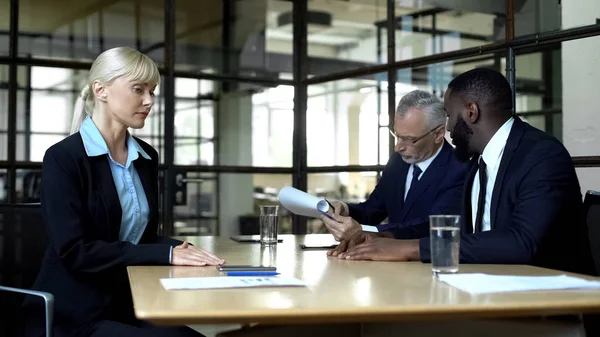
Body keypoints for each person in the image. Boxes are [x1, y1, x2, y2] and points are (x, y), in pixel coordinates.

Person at [23, 47, 224, 337]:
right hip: (75, 313)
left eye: (152, 91)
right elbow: (75, 251)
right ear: (101, 90)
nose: (149, 101)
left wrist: (185, 249)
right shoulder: (63, 158)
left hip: (128, 301)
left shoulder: (145, 156)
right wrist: (165, 253)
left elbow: (139, 237)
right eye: (138, 89)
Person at [325, 68, 594, 276]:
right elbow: (455, 229)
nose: (449, 128)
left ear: (471, 112)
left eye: (451, 117)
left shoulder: (541, 155)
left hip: (550, 300)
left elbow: (521, 242)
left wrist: (409, 249)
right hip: (485, 285)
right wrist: (379, 237)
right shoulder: (477, 161)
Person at [323, 90, 468, 241]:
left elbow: (430, 226)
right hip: (387, 262)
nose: (398, 147)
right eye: (397, 135)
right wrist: (344, 209)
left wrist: (367, 232)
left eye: (409, 139)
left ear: (438, 134)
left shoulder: (459, 168)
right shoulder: (397, 162)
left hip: (427, 262)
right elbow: (371, 210)